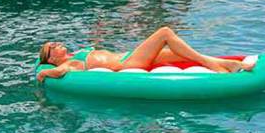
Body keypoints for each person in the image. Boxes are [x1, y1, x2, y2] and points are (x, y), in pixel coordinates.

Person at [37, 26, 253, 82]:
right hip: (128, 63)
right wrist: (44, 74)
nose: (56, 44)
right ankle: (217, 66)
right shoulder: (72, 64)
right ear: (51, 58)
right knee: (165, 33)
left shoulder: (80, 52)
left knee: (182, 54)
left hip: (129, 55)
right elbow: (59, 72)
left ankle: (231, 64)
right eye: (52, 47)